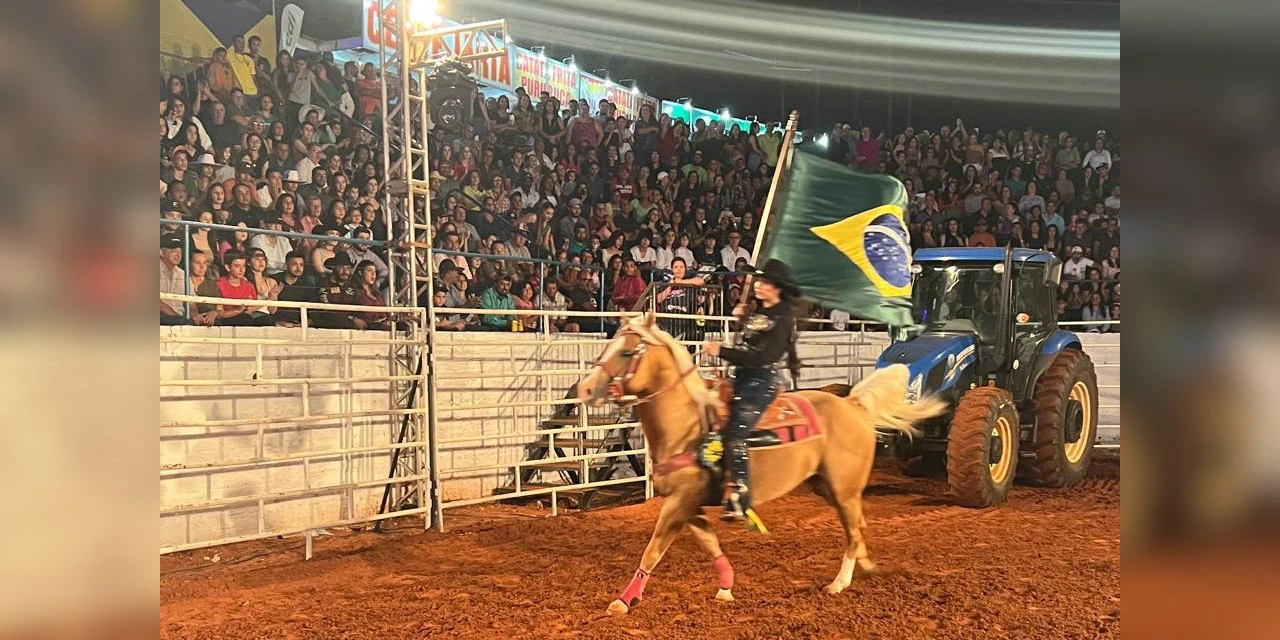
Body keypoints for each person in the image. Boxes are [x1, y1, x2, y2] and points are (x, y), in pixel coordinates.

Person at [700, 259, 802, 532]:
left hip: (761, 381)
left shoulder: (783, 320)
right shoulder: (760, 314)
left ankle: (740, 496)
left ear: (777, 288)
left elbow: (761, 358)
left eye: (764, 282)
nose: (758, 285)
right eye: (759, 281)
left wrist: (721, 351)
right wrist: (743, 320)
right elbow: (749, 345)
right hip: (741, 378)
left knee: (737, 432)